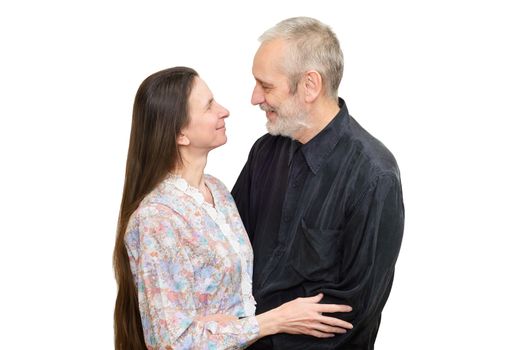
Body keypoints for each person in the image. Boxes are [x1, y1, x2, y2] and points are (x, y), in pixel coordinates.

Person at [112, 66, 354, 350]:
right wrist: (275, 320)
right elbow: (173, 343)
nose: (223, 111)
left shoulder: (218, 191)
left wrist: (219, 325)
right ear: (180, 134)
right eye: (208, 106)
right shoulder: (157, 218)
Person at [232, 17, 405, 349]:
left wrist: (256, 332)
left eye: (266, 86)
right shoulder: (265, 152)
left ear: (310, 85)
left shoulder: (373, 175)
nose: (255, 98)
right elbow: (232, 253)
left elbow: (350, 315)